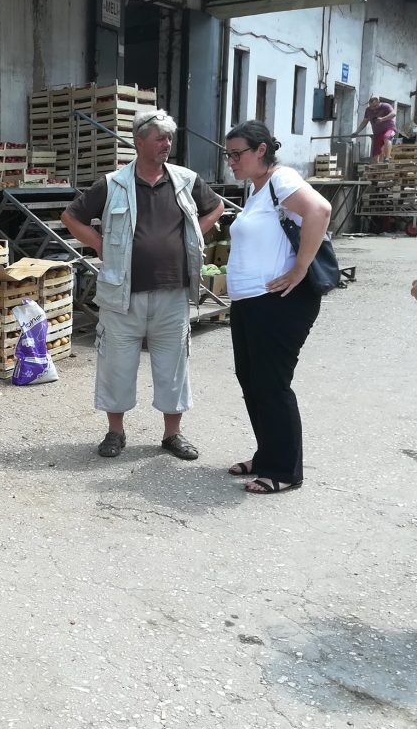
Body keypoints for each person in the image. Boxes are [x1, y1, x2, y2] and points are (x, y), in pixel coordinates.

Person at [61, 109, 224, 460]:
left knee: (173, 366)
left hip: (173, 293)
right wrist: (99, 244)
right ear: (139, 142)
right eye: (160, 138)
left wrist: (193, 235)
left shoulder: (186, 180)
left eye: (169, 138)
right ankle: (115, 432)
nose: (167, 144)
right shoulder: (113, 183)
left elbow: (217, 207)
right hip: (123, 294)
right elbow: (70, 217)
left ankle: (172, 434)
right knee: (116, 365)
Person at [223, 120, 331, 494]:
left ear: (261, 150)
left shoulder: (280, 179)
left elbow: (320, 210)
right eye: (228, 154)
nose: (231, 161)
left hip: (279, 303)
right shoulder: (257, 190)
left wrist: (299, 269)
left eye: (237, 154)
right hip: (250, 302)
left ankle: (285, 470)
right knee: (252, 381)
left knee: (271, 384)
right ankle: (267, 455)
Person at [352, 96, 396, 163]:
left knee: (386, 137)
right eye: (371, 107)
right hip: (377, 133)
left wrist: (382, 119)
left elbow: (393, 114)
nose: (373, 109)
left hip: (389, 129)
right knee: (375, 152)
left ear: (379, 103)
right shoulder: (368, 110)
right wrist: (357, 132)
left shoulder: (385, 106)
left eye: (375, 106)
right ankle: (375, 166)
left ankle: (387, 158)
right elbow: (365, 121)